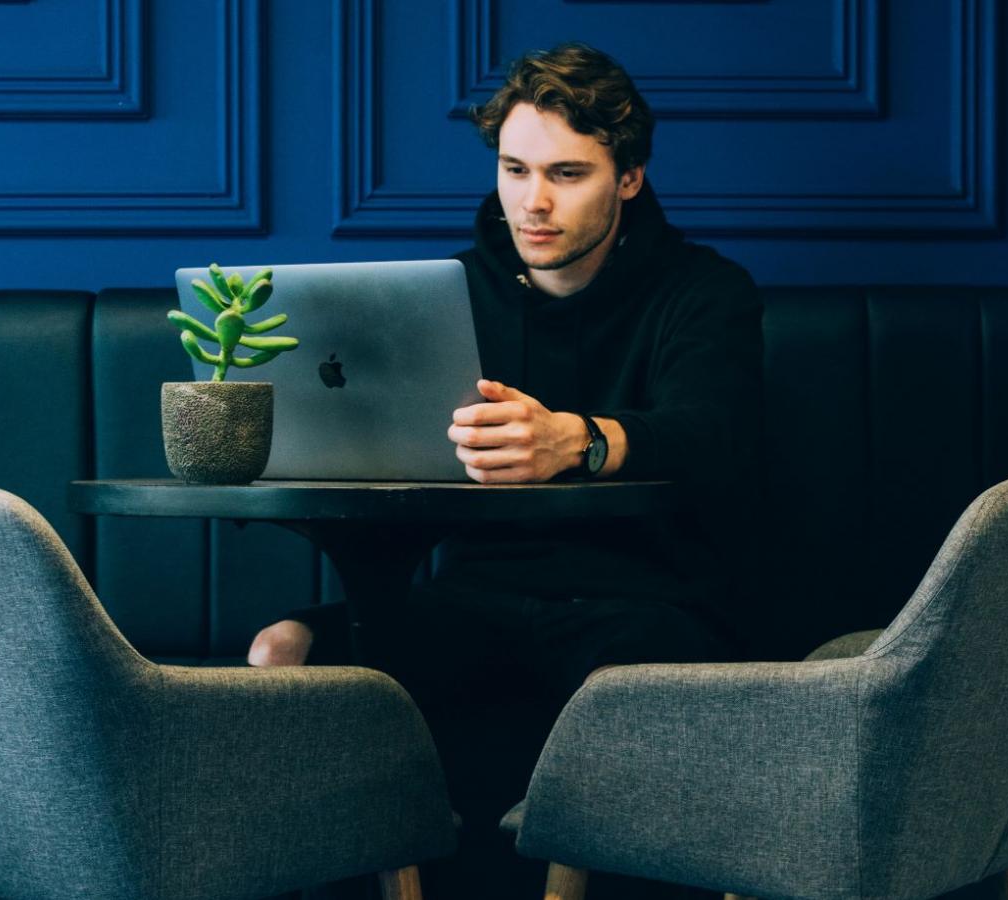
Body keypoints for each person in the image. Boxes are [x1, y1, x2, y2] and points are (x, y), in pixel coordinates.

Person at [250, 42, 764, 899]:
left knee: (631, 680)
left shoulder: (703, 292)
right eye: (514, 169)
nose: (535, 202)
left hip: (643, 602)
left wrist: (579, 440)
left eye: (567, 174)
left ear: (628, 178)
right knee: (281, 652)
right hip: (475, 600)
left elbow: (715, 436)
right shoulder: (451, 291)